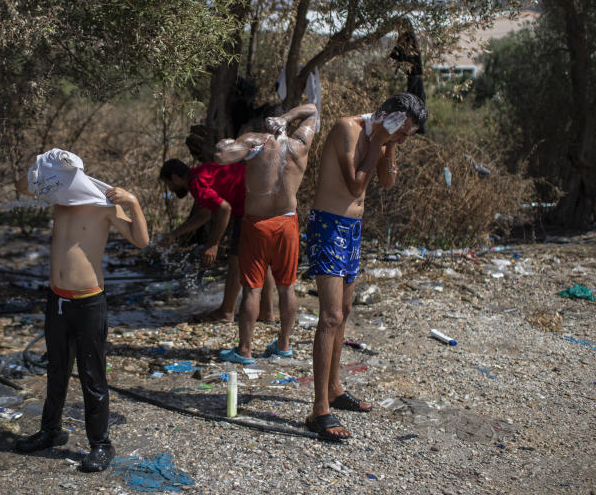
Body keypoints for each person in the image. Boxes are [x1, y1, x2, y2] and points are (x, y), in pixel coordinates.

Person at [13, 149, 149, 472]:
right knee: (57, 369)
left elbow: (140, 241)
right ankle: (50, 431)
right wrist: (40, 163)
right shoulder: (58, 196)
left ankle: (101, 445)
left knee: (92, 375)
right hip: (57, 298)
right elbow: (22, 186)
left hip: (88, 302)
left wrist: (133, 202)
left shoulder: (103, 203)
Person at [305, 93, 427, 441]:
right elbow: (355, 183)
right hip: (328, 225)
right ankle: (319, 411)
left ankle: (333, 389)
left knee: (343, 311)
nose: (403, 139)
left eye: (407, 136)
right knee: (329, 316)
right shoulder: (348, 128)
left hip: (352, 229)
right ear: (386, 116)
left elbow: (387, 183)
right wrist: (377, 141)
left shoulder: (384, 140)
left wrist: (389, 145)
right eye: (401, 132)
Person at [213, 103, 319, 364]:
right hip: (287, 223)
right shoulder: (300, 144)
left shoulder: (255, 142)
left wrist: (226, 143)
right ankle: (283, 344)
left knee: (252, 289)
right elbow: (313, 110)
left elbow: (221, 156)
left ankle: (245, 350)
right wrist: (288, 117)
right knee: (286, 286)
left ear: (264, 122)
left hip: (258, 224)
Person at [159, 158, 276, 323]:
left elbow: (224, 208)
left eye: (168, 184)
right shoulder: (203, 172)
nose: (170, 189)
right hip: (267, 200)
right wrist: (174, 234)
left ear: (175, 178)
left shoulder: (196, 183)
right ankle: (267, 312)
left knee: (236, 263)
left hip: (248, 209)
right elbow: (204, 215)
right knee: (264, 262)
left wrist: (213, 244)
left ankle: (226, 312)